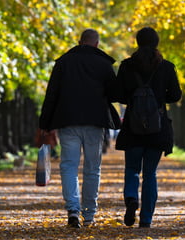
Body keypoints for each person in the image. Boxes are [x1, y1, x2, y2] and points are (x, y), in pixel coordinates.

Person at [39, 29, 119, 228]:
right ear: (97, 44)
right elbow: (114, 94)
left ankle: (73, 209)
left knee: (69, 166)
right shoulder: (104, 64)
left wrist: (45, 123)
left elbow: (52, 94)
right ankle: (89, 214)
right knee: (93, 169)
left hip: (68, 120)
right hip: (95, 122)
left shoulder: (63, 62)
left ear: (79, 41)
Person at [115, 27, 182, 228]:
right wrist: (159, 99)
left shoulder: (126, 66)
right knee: (150, 173)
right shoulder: (167, 67)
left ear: (137, 42)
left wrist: (133, 98)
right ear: (157, 42)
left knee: (132, 168)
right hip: (157, 127)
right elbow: (176, 95)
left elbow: (117, 94)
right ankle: (146, 219)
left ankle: (131, 198)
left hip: (133, 128)